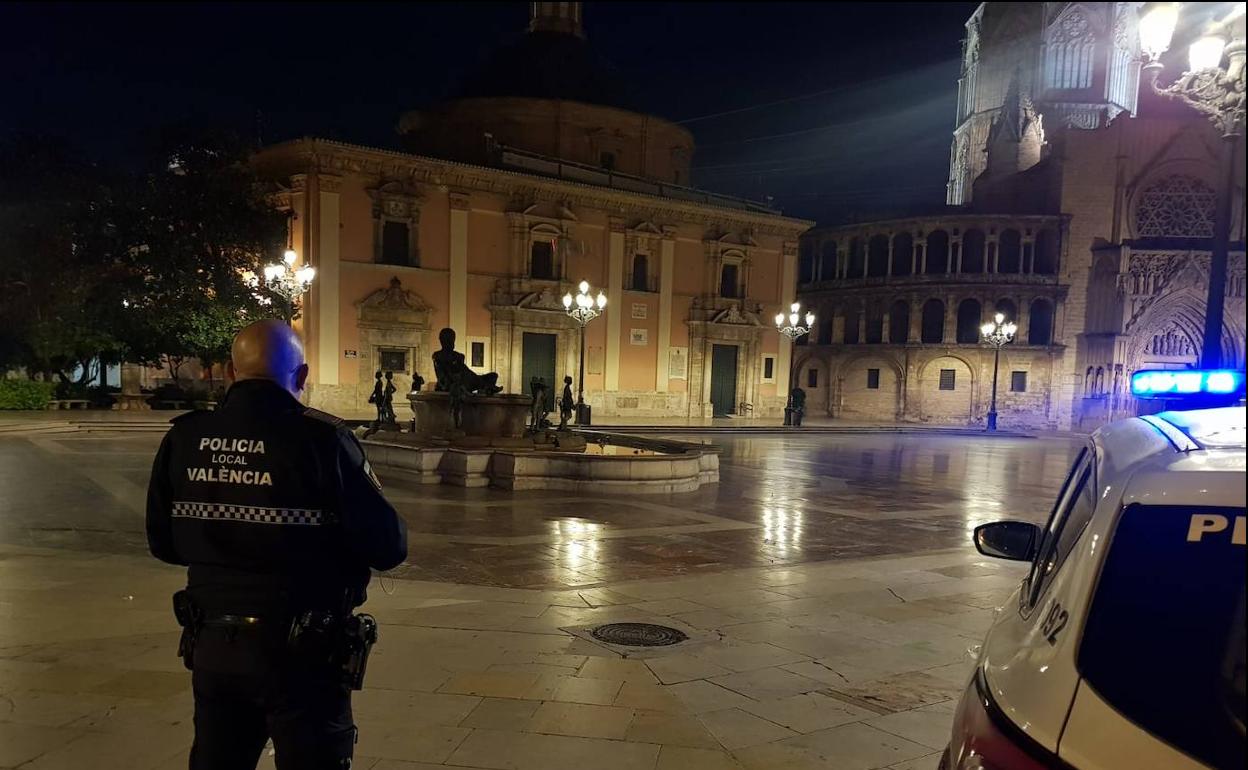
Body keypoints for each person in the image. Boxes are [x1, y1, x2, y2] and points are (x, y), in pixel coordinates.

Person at [146, 319, 407, 770]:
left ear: (231, 372)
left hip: (214, 644)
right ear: (302, 377)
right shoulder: (323, 439)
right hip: (303, 651)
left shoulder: (185, 437)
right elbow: (388, 546)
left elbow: (164, 543)